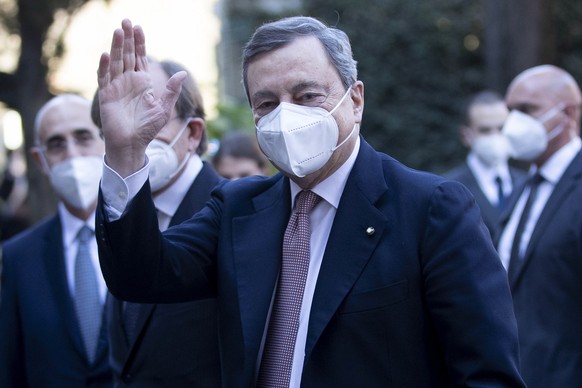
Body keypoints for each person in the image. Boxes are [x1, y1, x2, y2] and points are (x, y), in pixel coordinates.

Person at [95, 18, 525, 387]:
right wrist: (126, 151)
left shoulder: (430, 209)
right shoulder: (236, 209)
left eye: (306, 96)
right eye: (267, 103)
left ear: (354, 100)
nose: (286, 116)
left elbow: (486, 373)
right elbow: (139, 276)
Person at [91, 59, 222, 386]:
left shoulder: (233, 215)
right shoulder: (115, 212)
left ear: (192, 133)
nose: (135, 131)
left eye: (150, 113)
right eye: (118, 120)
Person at [0, 94, 112, 387]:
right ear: (40, 160)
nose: (72, 155)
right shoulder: (18, 257)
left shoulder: (148, 237)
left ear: (106, 141)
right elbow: (11, 367)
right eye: (57, 144)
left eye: (83, 137)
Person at [495, 64, 582, 387]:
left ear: (568, 114)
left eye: (526, 109)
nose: (514, 122)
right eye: (510, 111)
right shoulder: (522, 188)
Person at [445, 90, 526, 238]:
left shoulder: (527, 183)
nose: (495, 136)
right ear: (466, 135)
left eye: (502, 128)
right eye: (485, 130)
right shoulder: (447, 188)